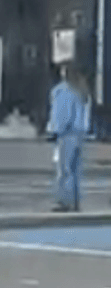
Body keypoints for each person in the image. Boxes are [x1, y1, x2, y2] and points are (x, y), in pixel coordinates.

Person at [48, 64, 91, 213]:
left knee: (64, 169)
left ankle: (64, 201)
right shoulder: (82, 90)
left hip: (66, 134)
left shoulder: (63, 90)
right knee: (75, 170)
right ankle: (76, 201)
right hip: (80, 134)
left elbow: (62, 115)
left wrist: (54, 130)